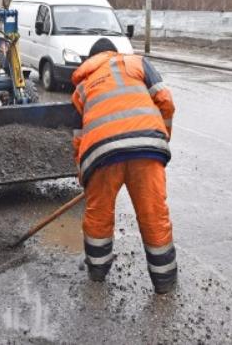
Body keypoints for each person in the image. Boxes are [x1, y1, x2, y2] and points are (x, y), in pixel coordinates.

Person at [71, 38, 177, 294]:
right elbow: (165, 100)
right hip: (146, 151)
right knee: (154, 215)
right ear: (113, 53)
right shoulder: (139, 63)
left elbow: (79, 137)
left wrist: (84, 174)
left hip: (101, 155)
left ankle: (97, 273)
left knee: (98, 215)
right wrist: (161, 137)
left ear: (91, 60)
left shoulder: (82, 88)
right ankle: (164, 282)